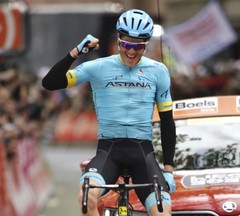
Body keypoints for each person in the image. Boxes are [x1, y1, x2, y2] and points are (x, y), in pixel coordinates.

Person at [42, 9, 176, 216]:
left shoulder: (158, 71)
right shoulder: (98, 67)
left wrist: (168, 170)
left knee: (162, 212)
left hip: (143, 154)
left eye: (138, 46)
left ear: (147, 44)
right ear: (118, 39)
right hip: (109, 152)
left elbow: (167, 122)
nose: (132, 51)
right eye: (127, 44)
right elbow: (50, 83)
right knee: (86, 198)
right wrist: (76, 52)